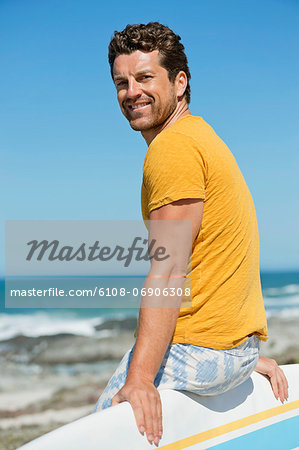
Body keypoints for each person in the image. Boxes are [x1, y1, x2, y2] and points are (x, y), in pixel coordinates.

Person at [94, 22, 288, 446]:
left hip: (201, 351)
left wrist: (142, 378)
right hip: (234, 351)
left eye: (145, 78)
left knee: (99, 429)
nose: (132, 92)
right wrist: (240, 355)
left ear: (179, 82)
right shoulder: (201, 135)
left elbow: (168, 271)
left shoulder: (172, 148)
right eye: (121, 82)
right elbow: (223, 251)